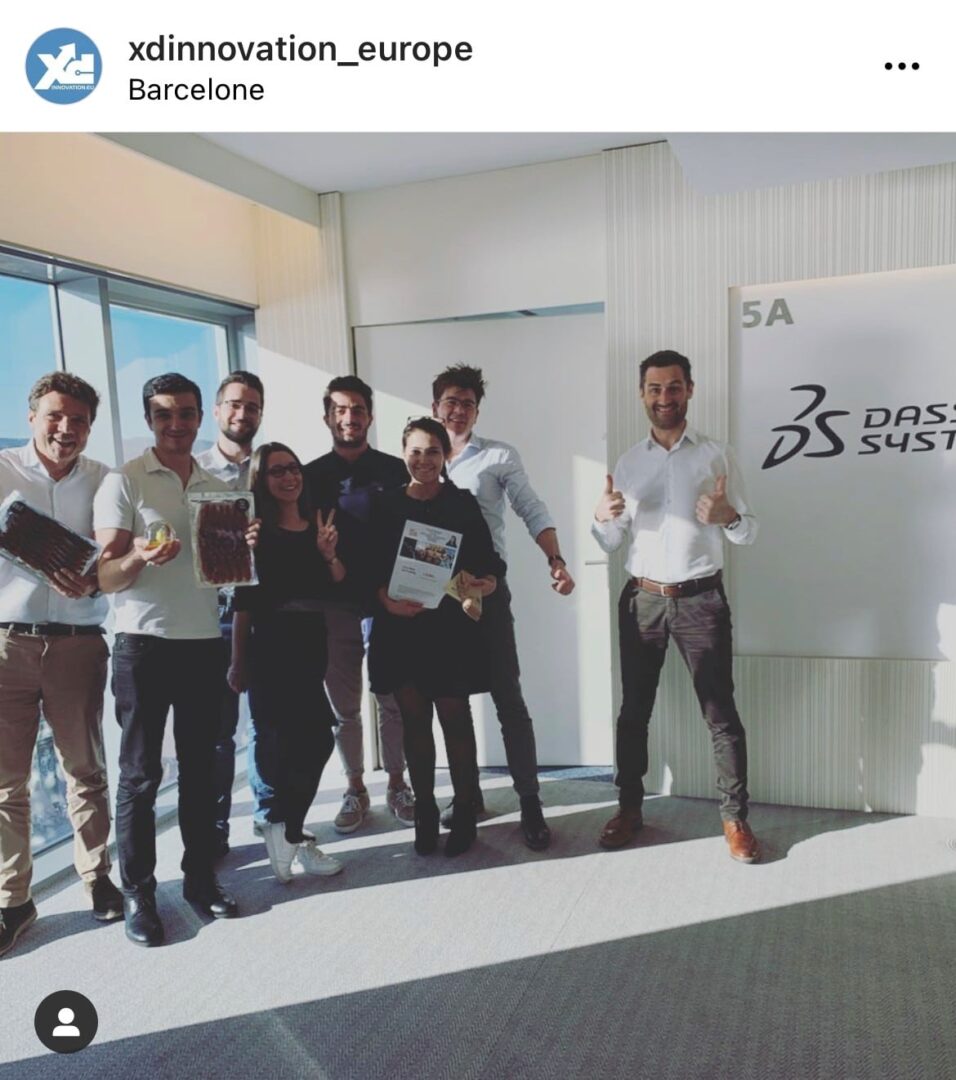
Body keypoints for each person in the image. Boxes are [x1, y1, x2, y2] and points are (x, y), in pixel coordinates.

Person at [94, 372, 258, 947]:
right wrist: (139, 555)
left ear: (199, 418)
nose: (176, 424)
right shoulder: (124, 480)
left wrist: (242, 547)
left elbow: (227, 574)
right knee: (141, 775)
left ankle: (198, 880)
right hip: (142, 645)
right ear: (149, 420)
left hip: (203, 643)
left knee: (199, 771)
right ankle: (139, 894)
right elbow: (105, 576)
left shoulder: (217, 487)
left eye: (186, 413)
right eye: (164, 414)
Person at [591, 350, 761, 862]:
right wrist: (601, 518)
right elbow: (610, 541)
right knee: (633, 712)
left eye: (673, 387)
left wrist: (729, 517)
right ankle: (629, 809)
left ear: (689, 389)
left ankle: (735, 819)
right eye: (654, 388)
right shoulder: (629, 462)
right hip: (642, 600)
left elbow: (749, 532)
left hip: (701, 600)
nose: (664, 397)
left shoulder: (717, 455)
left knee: (721, 713)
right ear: (642, 394)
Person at [0, 373, 123, 959]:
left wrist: (98, 575)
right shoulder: (1, 472)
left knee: (86, 770)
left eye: (78, 420)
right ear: (31, 417)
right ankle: (13, 899)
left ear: (90, 427)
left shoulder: (105, 480)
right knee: (6, 783)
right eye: (55, 416)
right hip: (6, 644)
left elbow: (118, 556)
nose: (66, 428)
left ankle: (97, 877)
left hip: (77, 643)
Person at [431, 364, 574, 850]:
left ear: (477, 411)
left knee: (507, 697)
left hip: (487, 590)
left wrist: (555, 559)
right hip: (438, 599)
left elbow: (530, 506)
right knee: (452, 702)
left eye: (468, 404)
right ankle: (467, 798)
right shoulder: (420, 456)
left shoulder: (497, 455)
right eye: (451, 401)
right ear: (435, 406)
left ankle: (530, 802)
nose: (458, 410)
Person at [368, 418, 504, 857]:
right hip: (401, 628)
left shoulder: (462, 503)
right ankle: (424, 813)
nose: (424, 460)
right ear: (403, 453)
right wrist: (384, 600)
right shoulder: (385, 504)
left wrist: (486, 583)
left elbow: (488, 562)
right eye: (415, 451)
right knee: (414, 723)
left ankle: (464, 811)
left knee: (455, 718)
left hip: (449, 630)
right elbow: (369, 569)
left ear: (445, 455)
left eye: (433, 451)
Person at [228, 443, 345, 883]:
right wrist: (237, 661)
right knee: (295, 744)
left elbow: (338, 583)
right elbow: (243, 601)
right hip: (272, 645)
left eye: (293, 468)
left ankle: (287, 831)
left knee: (312, 742)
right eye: (277, 471)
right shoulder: (256, 532)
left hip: (311, 642)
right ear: (261, 480)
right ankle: (288, 830)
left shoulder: (318, 523)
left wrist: (328, 554)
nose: (288, 477)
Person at [304, 376, 414, 833]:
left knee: (393, 701)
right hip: (334, 604)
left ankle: (398, 784)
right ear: (327, 417)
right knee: (343, 708)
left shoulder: (395, 470)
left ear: (369, 415)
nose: (349, 418)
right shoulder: (308, 476)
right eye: (340, 410)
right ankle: (354, 788)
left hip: (388, 602)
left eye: (357, 410)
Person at [195, 371, 274, 856]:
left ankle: (269, 818)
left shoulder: (272, 471)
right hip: (215, 613)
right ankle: (216, 827)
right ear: (217, 410)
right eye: (235, 404)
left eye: (253, 407)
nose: (243, 414)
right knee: (219, 732)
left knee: (268, 724)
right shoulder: (195, 473)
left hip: (268, 612)